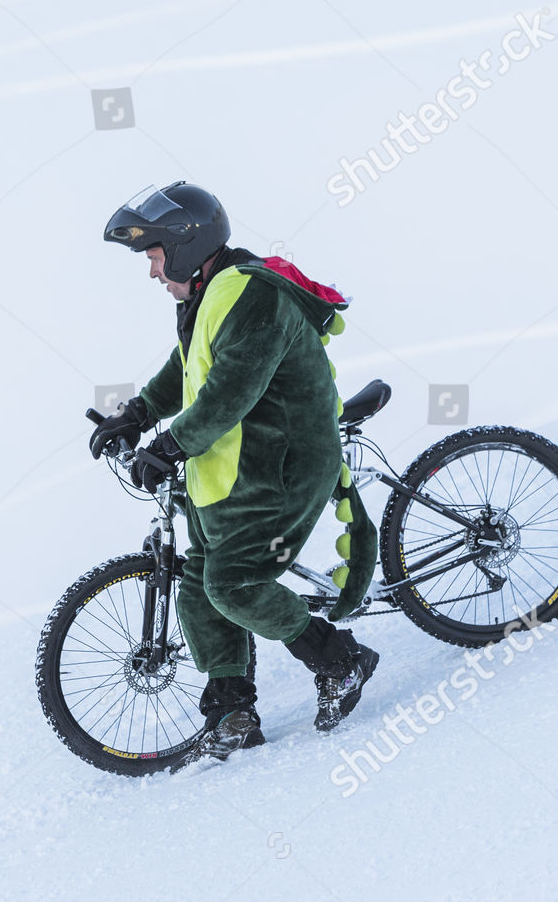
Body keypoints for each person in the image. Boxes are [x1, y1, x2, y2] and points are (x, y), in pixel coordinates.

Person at [90, 180, 380, 768]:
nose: (152, 272)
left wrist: (167, 446)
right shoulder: (211, 298)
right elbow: (186, 370)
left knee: (234, 584)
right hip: (236, 471)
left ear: (186, 246)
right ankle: (232, 708)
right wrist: (137, 415)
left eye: (153, 255)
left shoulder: (252, 296)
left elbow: (228, 393)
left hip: (286, 464)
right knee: (199, 581)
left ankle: (338, 659)